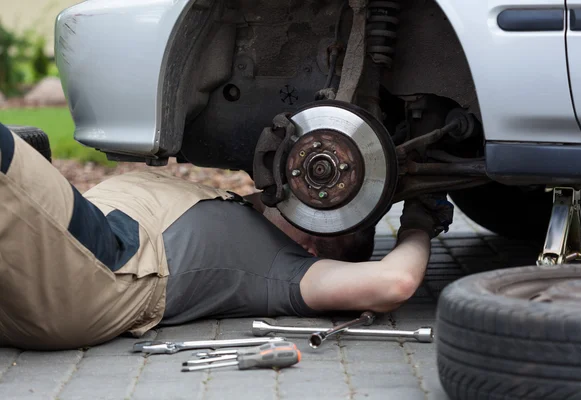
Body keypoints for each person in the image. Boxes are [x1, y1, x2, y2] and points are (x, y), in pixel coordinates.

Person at [0, 122, 453, 350]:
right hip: (43, 259)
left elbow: (394, 284)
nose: (310, 202)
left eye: (325, 215)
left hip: (96, 268)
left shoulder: (283, 268)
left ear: (313, 246)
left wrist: (420, 219)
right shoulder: (237, 207)